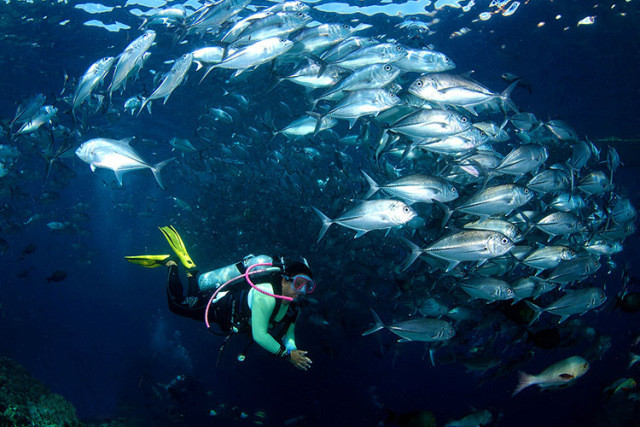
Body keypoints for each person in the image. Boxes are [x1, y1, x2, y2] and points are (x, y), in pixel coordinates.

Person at [126, 226, 314, 370]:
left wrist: (293, 350)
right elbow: (260, 335)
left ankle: (191, 271)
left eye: (308, 286)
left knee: (193, 294)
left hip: (223, 311)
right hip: (216, 307)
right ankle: (170, 263)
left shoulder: (293, 307)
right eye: (298, 283)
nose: (302, 291)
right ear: (284, 280)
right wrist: (287, 355)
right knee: (176, 305)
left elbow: (289, 333)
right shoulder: (265, 294)